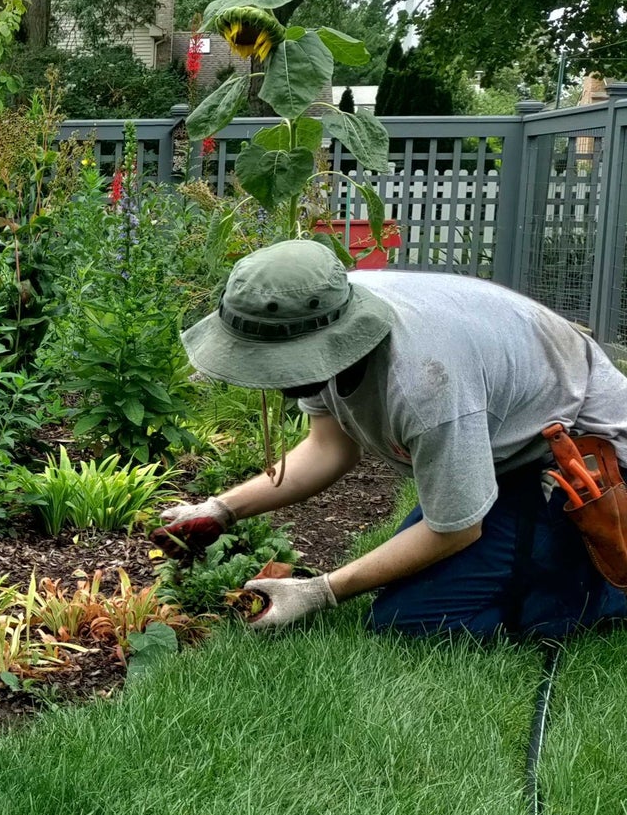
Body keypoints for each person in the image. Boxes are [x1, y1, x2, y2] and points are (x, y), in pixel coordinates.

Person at [164, 238, 627, 638]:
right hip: (503, 444)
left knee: (418, 619)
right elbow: (329, 448)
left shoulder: (424, 383)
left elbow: (457, 528)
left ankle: (601, 590)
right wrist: (220, 511)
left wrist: (321, 591)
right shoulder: (320, 308)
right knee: (409, 587)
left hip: (578, 456)